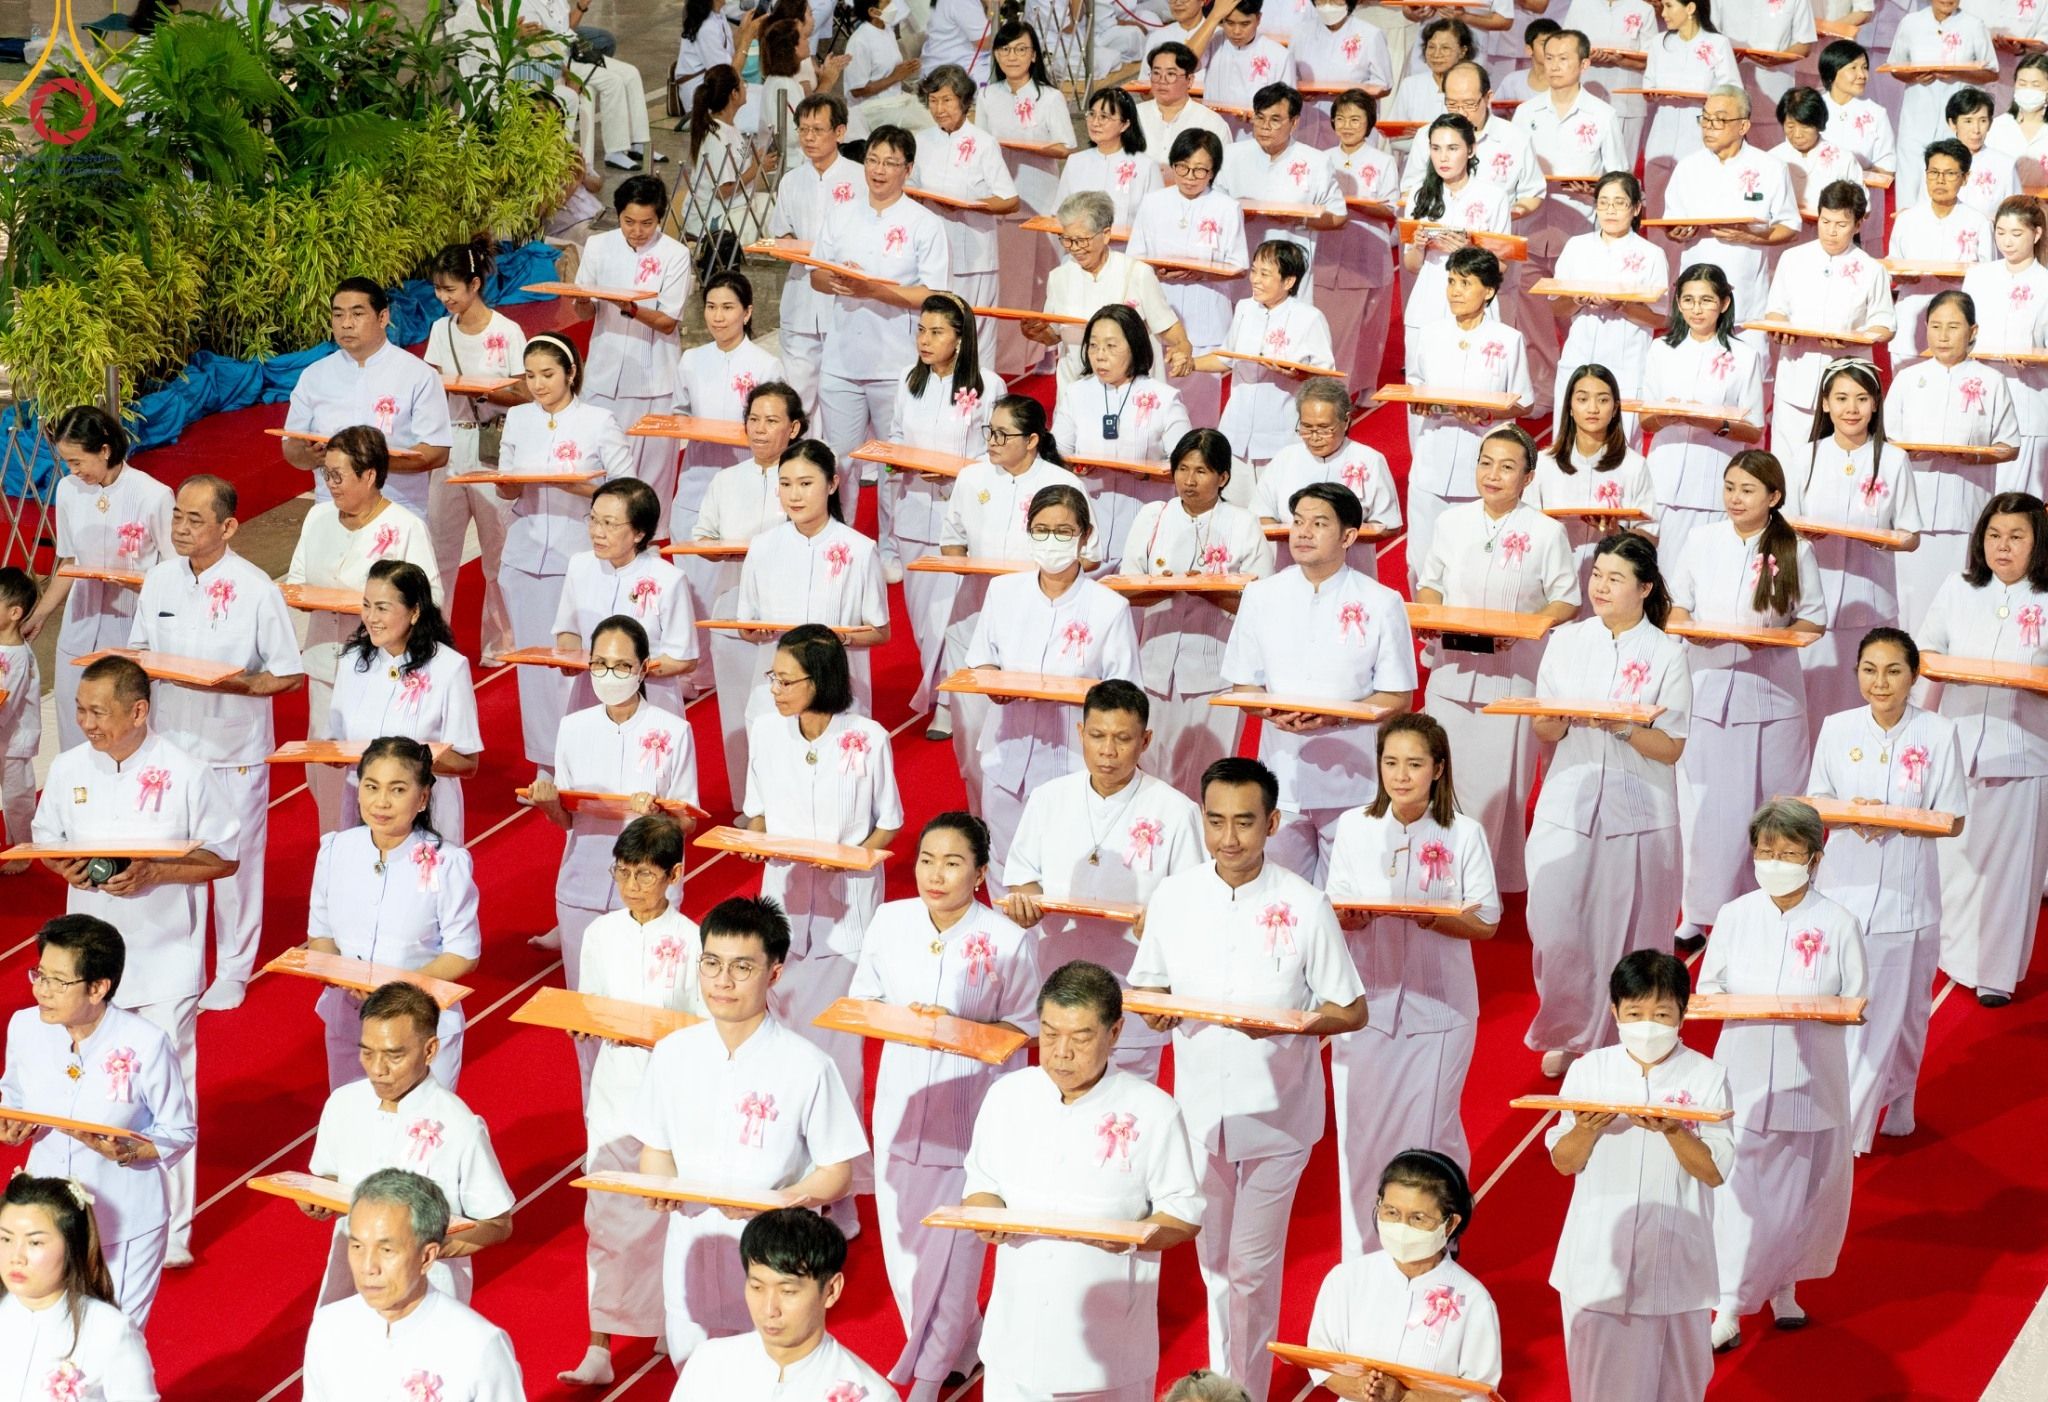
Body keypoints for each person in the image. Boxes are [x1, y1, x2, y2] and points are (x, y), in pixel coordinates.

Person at [1129, 756, 1368, 1402]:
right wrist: (1153, 1012)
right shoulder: (1174, 898)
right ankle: (1222, 1385)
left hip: (1278, 1115)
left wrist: (1292, 1027)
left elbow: (1351, 1007)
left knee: (1254, 1269)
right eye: (1215, 822)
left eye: (1244, 823)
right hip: (1200, 1111)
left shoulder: (1304, 903)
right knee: (1213, 1267)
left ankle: (1247, 1394)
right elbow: (1147, 989)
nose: (1228, 839)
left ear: (1273, 823)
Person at [27, 657, 236, 1269]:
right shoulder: (67, 769)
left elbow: (224, 857)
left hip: (164, 955)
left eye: (97, 711)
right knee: (88, 1089)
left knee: (167, 1093)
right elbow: (47, 841)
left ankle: (171, 1228)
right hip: (82, 972)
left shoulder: (187, 772)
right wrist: (58, 865)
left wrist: (156, 872)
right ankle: (86, 1213)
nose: (85, 722)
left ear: (139, 711)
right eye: (81, 710)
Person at [849, 812, 1039, 1401]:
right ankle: (960, 1345)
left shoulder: (1008, 939)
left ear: (981, 873)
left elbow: (1027, 1028)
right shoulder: (889, 920)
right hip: (903, 1108)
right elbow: (862, 1003)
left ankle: (925, 1381)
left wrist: (957, 1031)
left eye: (953, 863)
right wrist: (909, 1022)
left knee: (954, 1255)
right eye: (928, 859)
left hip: (969, 1113)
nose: (936, 874)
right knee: (905, 1250)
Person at [633, 896, 869, 1362]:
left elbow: (837, 1171)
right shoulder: (672, 1054)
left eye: (742, 967)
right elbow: (655, 1146)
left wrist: (784, 1202)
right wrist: (658, 1182)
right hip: (691, 1254)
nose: (723, 980)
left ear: (775, 973)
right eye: (712, 964)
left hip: (774, 1272)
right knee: (694, 1377)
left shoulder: (807, 1065)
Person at [960, 959, 1206, 1401]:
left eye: (1080, 1037)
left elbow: (1185, 1215)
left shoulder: (1153, 1111)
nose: (1061, 1052)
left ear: (1115, 1033)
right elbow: (982, 1181)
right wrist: (986, 1212)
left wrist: (1133, 1236)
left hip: (1107, 1356)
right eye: (1050, 1034)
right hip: (1013, 1344)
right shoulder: (1007, 1097)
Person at [1323, 720, 1502, 1261]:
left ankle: (1436, 1241)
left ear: (1438, 769)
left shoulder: (1462, 833)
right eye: (1391, 763)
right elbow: (1335, 907)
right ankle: (1362, 1255)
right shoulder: (1354, 827)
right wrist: (1351, 919)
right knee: (1360, 1136)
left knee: (1431, 1128)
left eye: (1414, 764)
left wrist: (1436, 921)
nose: (1401, 776)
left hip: (1440, 1009)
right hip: (1367, 1006)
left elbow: (1487, 921)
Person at [129, 474, 301, 1019]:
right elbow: (138, 649)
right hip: (170, 748)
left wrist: (236, 685)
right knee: (173, 859)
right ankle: (180, 960)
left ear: (228, 526)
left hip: (234, 749)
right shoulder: (157, 580)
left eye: (194, 519)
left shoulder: (255, 588)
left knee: (234, 863)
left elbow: (288, 674)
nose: (180, 527)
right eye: (177, 516)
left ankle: (233, 968)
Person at [1699, 799, 1867, 1352]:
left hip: (1808, 1077)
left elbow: (1858, 1000)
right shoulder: (1735, 915)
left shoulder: (1837, 922)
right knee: (1739, 1193)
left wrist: (1810, 1010)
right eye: (1766, 852)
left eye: (1789, 853)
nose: (1775, 861)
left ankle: (1784, 1285)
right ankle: (1728, 1301)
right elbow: (1708, 990)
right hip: (1743, 1071)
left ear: (1814, 858)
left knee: (1798, 1193)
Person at [1524, 533, 1691, 1078]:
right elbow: (1543, 724)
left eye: (1616, 579)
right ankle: (1568, 1030)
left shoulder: (1668, 654)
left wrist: (1620, 725)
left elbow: (1671, 747)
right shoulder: (1567, 641)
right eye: (1598, 575)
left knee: (1632, 932)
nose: (1601, 587)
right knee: (1556, 927)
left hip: (1638, 809)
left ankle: (1628, 1040)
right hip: (1567, 802)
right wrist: (1562, 717)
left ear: (1644, 588)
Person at [1546, 951, 1732, 1402]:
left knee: (1679, 1391)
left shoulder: (1707, 1076)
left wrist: (1675, 1131)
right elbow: (1564, 1161)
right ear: (1615, 1012)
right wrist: (1587, 1131)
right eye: (1635, 1013)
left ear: (1682, 1015)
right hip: (1596, 1268)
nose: (1648, 1025)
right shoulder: (1590, 1071)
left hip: (1677, 1270)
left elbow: (1714, 1171)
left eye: (1662, 1013)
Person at [745, 625, 902, 1160]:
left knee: (836, 1057)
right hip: (782, 911)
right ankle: (784, 1165)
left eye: (788, 679)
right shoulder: (766, 732)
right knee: (778, 1052)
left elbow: (889, 824)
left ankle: (842, 1181)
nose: (777, 689)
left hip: (847, 921)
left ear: (823, 680)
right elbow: (757, 809)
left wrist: (851, 863)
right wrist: (757, 841)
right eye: (774, 677)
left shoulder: (869, 737)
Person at [1807, 627, 1967, 1147]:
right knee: (1851, 1012)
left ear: (1914, 676)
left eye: (1894, 670)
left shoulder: (1938, 733)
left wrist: (1900, 820)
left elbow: (1953, 819)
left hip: (1908, 897)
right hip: (1843, 891)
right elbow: (1815, 802)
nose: (1880, 682)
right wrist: (1852, 814)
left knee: (1905, 1013)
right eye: (1869, 670)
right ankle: (1849, 1130)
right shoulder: (1837, 727)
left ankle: (1900, 1094)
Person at [999, 680, 1206, 1079]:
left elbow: (1192, 906)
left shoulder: (1176, 812)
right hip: (1059, 979)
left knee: (1123, 1115)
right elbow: (1022, 879)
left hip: (1133, 983)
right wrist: (1024, 904)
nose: (1107, 752)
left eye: (1122, 739)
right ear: (1080, 734)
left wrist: (1163, 926)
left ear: (1144, 741)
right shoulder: (1049, 798)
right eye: (1096, 736)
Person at [561, 817, 704, 1387]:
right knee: (606, 1217)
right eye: (623, 871)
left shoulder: (693, 938)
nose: (632, 884)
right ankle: (600, 1342)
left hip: (670, 1093)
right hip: (614, 1089)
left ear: (674, 874)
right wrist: (584, 1026)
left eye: (645, 873)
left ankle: (672, 1319)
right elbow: (588, 1006)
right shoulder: (600, 934)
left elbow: (701, 1022)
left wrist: (656, 1033)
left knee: (666, 1214)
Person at [0, 917, 196, 1328]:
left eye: (58, 981)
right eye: (39, 974)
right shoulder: (25, 1027)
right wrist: (11, 1126)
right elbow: (14, 1095)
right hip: (47, 1221)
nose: (41, 990)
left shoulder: (145, 1043)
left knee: (112, 1337)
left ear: (97, 987)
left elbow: (179, 1131)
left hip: (124, 1219)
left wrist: (128, 1151)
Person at [1668, 450, 1826, 944]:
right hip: (1709, 688)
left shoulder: (1795, 549)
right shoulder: (1700, 539)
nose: (1735, 498)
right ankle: (1699, 909)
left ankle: (1777, 907)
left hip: (1773, 691)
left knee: (1772, 803)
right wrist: (1692, 633)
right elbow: (1676, 610)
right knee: (1705, 807)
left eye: (1748, 490)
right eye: (1730, 486)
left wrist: (1771, 639)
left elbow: (1813, 619)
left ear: (1773, 497)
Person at [1222, 483, 1417, 882]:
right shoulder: (1261, 596)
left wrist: (1338, 719)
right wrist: (1268, 710)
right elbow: (1244, 685)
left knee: (1346, 908)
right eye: (1298, 522)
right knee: (1280, 902)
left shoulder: (1381, 601)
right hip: (1279, 776)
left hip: (1354, 781)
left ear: (1348, 536)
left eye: (1319, 523)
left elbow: (1399, 696)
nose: (1304, 532)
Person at [1415, 425, 1578, 893]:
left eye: (1507, 467)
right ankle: (1438, 876)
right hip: (1451, 669)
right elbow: (1431, 582)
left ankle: (1486, 884)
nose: (1493, 474)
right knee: (1441, 777)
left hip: (1512, 674)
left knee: (1496, 788)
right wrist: (1430, 612)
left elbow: (1565, 599)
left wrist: (1527, 628)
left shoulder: (1546, 532)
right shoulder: (1451, 522)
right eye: (1485, 463)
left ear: (1528, 477)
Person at [303, 982, 515, 1307]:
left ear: (430, 1050)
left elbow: (497, 1223)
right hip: (350, 1286)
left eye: (394, 1055)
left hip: (429, 1296)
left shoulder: (459, 1125)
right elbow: (328, 1177)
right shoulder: (342, 1104)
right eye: (367, 1052)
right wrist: (317, 1198)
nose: (378, 1070)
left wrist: (424, 1248)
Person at [966, 485, 1141, 867]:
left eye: (1063, 532)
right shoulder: (1003, 591)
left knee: (1063, 862)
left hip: (1072, 759)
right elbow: (982, 660)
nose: (1051, 541)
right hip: (1006, 750)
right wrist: (994, 684)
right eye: (1041, 530)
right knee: (1004, 860)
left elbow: (1127, 694)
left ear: (1085, 536)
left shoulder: (1109, 607)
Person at [1919, 491, 2048, 1005]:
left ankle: (1995, 972)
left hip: (2025, 748)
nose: (2003, 547)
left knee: (2010, 870)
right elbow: (1927, 650)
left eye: (2017, 537)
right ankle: (1947, 953)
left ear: (2038, 543)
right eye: (1994, 535)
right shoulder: (1958, 588)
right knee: (1954, 860)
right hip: (1959, 739)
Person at [285, 426, 443, 832]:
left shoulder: (405, 526)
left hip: (382, 671)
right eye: (326, 475)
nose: (330, 485)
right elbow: (297, 579)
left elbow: (432, 600)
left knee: (379, 773)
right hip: (324, 664)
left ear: (369, 475)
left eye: (338, 475)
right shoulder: (318, 516)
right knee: (324, 775)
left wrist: (376, 612)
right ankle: (333, 852)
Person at [530, 615, 701, 987]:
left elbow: (688, 822)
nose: (610, 675)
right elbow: (569, 820)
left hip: (648, 889)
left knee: (643, 997)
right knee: (585, 1003)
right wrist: (548, 804)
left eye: (622, 665)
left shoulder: (673, 731)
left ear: (642, 669)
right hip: (582, 882)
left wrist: (657, 817)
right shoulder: (573, 728)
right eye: (600, 664)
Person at [305, 738, 482, 1092]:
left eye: (397, 789)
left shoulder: (447, 862)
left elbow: (463, 953)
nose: (381, 802)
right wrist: (335, 973)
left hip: (420, 1026)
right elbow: (320, 935)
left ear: (422, 798)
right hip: (349, 1021)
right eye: (371, 787)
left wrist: (397, 989)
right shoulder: (336, 850)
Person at [938, 395, 1091, 788]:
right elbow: (951, 541)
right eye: (990, 431)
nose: (992, 440)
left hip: (1038, 621)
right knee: (971, 732)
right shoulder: (972, 478)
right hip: (972, 614)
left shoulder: (1062, 485)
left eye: (1004, 434)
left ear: (1033, 440)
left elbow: (1088, 556)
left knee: (1031, 738)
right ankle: (979, 817)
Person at [496, 333, 629, 771]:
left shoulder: (599, 420)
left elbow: (629, 490)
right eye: (530, 375)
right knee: (534, 667)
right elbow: (505, 481)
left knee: (576, 662)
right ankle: (545, 760)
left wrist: (583, 488)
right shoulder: (517, 419)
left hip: (578, 556)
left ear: (571, 372)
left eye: (548, 374)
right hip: (524, 552)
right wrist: (508, 483)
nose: (538, 384)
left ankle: (589, 755)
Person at [1118, 429, 1275, 790]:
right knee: (1150, 770)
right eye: (1182, 469)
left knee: (1207, 776)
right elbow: (1126, 588)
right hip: (1154, 666)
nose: (1189, 480)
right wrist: (1170, 588)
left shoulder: (1242, 524)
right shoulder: (1153, 516)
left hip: (1215, 672)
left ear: (1222, 477)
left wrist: (1207, 592)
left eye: (1201, 471)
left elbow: (1260, 604)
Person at [1781, 360, 1923, 732]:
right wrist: (1801, 534)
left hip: (1870, 596)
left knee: (1866, 703)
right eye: (1841, 398)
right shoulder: (1806, 456)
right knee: (1813, 706)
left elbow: (1911, 533)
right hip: (1815, 601)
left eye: (1862, 398)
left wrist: (1884, 539)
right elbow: (1785, 524)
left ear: (1876, 404)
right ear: (1825, 404)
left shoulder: (1893, 459)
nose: (1851, 408)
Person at [23, 406, 173, 752]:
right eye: (68, 463)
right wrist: (41, 614)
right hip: (80, 623)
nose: (73, 471)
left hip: (132, 627)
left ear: (104, 450)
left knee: (124, 728)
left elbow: (175, 571)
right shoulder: (68, 491)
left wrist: (139, 583)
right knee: (74, 719)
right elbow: (70, 559)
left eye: (78, 461)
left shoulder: (153, 495)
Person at [301, 1170, 524, 1400]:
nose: (368, 1267)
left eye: (386, 1250)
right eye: (357, 1247)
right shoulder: (329, 1326)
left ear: (427, 1257)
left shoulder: (479, 1345)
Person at [890, 295, 1005, 736]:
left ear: (960, 338)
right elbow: (895, 438)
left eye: (936, 331)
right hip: (914, 508)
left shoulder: (987, 385)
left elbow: (994, 453)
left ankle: (947, 703)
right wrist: (895, 461)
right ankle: (937, 689)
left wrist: (954, 471)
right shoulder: (907, 380)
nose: (925, 339)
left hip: (964, 516)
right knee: (922, 620)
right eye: (921, 329)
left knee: (950, 617)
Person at [1304, 1151, 1503, 1395]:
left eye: (1418, 1218)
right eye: (1391, 1213)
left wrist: (1402, 1397)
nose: (1402, 1228)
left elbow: (1479, 1395)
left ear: (1450, 1224)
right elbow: (1323, 1364)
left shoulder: (1473, 1301)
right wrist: (1363, 1390)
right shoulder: (1346, 1279)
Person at [1884, 290, 2022, 631]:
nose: (1943, 336)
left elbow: (2009, 445)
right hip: (1913, 510)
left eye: (1953, 326)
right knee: (1911, 603)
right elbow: (1886, 442)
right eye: (1935, 326)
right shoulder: (1907, 379)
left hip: (1966, 510)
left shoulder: (1991, 381)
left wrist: (1972, 455)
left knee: (1959, 605)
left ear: (1972, 331)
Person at [696, 382, 808, 792]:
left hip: (788, 610)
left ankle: (789, 794)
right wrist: (719, 550)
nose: (759, 430)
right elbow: (702, 537)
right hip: (732, 603)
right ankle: (747, 800)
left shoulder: (807, 478)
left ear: (794, 428)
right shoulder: (726, 480)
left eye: (772, 421)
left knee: (783, 709)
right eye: (753, 420)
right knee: (736, 710)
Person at [1402, 246, 1535, 589]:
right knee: (1421, 564)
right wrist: (1419, 403)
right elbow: (1415, 384)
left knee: (1470, 570)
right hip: (1431, 462)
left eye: (1465, 282)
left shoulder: (1508, 339)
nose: (1455, 291)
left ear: (1488, 290)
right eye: (1450, 282)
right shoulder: (1430, 335)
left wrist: (1487, 412)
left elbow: (1525, 403)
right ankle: (1430, 640)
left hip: (1480, 468)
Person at [421, 240, 527, 667]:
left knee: (497, 550)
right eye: (438, 290)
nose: (444, 298)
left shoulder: (507, 332)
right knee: (439, 551)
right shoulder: (439, 330)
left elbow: (525, 390)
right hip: (450, 443)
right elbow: (429, 388)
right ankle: (433, 642)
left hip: (493, 443)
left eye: (451, 289)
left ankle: (501, 644)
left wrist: (487, 390)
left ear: (475, 284)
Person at [734, 441, 891, 726]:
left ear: (832, 484)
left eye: (806, 483)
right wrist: (754, 632)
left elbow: (881, 631)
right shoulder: (762, 547)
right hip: (773, 695)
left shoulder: (859, 550)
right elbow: (745, 625)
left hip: (837, 693)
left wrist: (840, 638)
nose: (794, 495)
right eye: (785, 483)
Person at [328, 560, 482, 839]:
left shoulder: (448, 668)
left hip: (426, 816)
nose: (370, 617)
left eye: (382, 608)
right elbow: (338, 740)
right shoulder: (352, 663)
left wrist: (406, 761)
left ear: (414, 612)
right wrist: (332, 752)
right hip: (364, 811)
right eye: (366, 605)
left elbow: (467, 762)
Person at [669, 1209, 895, 1399]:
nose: (769, 1309)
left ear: (831, 1290)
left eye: (788, 1291)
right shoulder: (710, 1363)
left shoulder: (869, 1394)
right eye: (757, 1287)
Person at [281, 277, 454, 521]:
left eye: (357, 314)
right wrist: (309, 456)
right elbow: (292, 444)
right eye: (338, 315)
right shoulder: (314, 376)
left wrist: (367, 461)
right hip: (330, 510)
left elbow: (437, 451)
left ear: (383, 318)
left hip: (398, 510)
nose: (346, 324)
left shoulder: (419, 374)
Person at [575, 176, 692, 531]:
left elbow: (669, 320)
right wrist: (580, 302)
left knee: (652, 476)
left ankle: (650, 547)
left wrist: (631, 307)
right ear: (618, 215)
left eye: (647, 223)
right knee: (600, 468)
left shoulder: (675, 254)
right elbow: (585, 311)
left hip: (655, 380)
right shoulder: (597, 246)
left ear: (659, 218)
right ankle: (600, 536)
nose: (638, 231)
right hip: (604, 375)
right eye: (629, 222)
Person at [1639, 264, 1767, 569]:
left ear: (1723, 304)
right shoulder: (1660, 349)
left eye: (1707, 300)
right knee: (1660, 573)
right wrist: (1667, 417)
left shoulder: (1744, 356)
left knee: (1705, 575)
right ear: (1678, 302)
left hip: (1713, 478)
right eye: (1689, 300)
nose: (1697, 309)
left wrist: (1713, 424)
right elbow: (1646, 420)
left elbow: (1754, 430)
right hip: (1664, 477)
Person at [1758, 179, 1896, 453]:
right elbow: (1776, 310)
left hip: (1847, 386)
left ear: (1858, 225)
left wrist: (1856, 339)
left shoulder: (1871, 269)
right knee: (1788, 463)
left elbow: (1884, 325)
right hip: (1796, 375)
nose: (1831, 232)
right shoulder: (1792, 259)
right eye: (1825, 221)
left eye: (1841, 225)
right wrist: (1778, 327)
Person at [1660, 87, 1799, 357]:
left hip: (1746, 294)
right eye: (1705, 118)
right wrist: (1676, 232)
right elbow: (1669, 224)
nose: (1709, 128)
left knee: (1751, 381)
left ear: (1743, 126)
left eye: (1720, 120)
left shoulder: (1770, 167)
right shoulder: (1687, 168)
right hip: (1695, 299)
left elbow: (1790, 226)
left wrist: (1751, 237)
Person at [1128, 129, 1250, 426]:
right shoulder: (1153, 202)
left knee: (1199, 401)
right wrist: (1156, 270)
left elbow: (1239, 264)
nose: (1190, 176)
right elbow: (1133, 256)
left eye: (1200, 170)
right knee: (1153, 396)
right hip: (1160, 307)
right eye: (1182, 167)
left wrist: (1201, 272)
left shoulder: (1226, 207)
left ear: (1213, 172)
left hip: (1206, 306)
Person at [1053, 303, 1194, 559]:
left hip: (1147, 520)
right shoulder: (1076, 394)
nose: (1100, 355)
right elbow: (1057, 456)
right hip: (1089, 520)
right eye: (1093, 345)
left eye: (1111, 346)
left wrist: (1144, 474)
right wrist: (1072, 467)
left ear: (1134, 346)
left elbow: (1188, 467)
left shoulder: (1164, 398)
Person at [552, 476, 699, 720]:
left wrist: (625, 672)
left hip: (651, 697)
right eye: (594, 520)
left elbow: (684, 659)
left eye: (609, 524)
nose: (597, 532)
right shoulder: (580, 565)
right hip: (591, 696)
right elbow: (568, 630)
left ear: (639, 533)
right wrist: (569, 658)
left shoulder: (668, 579)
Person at [0, 1174, 158, 1400]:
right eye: (5, 1239)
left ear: (73, 1246)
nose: (16, 1257)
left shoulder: (110, 1331)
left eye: (35, 1242)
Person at [981, 20, 1078, 377]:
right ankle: (1009, 359)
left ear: (1034, 54)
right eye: (1005, 49)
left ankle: (1047, 352)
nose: (1013, 56)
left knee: (1044, 275)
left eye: (1021, 49)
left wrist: (1032, 146)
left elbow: (1068, 145)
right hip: (1006, 195)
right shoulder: (989, 95)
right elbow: (980, 143)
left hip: (1042, 192)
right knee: (1011, 280)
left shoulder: (1049, 97)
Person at [913, 64, 1022, 373]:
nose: (939, 108)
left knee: (976, 330)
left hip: (976, 253)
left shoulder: (984, 143)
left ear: (963, 101)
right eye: (933, 100)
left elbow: (1009, 200)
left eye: (947, 100)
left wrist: (971, 206)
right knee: (936, 329)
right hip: (933, 253)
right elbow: (911, 187)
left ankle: (979, 398)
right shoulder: (921, 141)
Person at [671, 270, 787, 554]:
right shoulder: (691, 360)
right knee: (692, 557)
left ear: (747, 313)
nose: (717, 317)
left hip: (747, 472)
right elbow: (678, 413)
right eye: (711, 307)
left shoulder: (766, 366)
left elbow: (780, 426)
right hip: (698, 471)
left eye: (727, 308)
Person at [1548, 176, 1667, 446]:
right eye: (1603, 202)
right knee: (1569, 442)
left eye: (1619, 203)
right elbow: (1557, 306)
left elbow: (1661, 316)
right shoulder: (1577, 247)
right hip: (1579, 353)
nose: (1610, 210)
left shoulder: (1651, 254)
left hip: (1628, 360)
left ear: (1636, 208)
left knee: (1620, 443)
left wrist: (1621, 304)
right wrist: (1578, 300)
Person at [1035, 191, 1194, 387]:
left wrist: (1182, 348)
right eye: (1066, 240)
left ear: (1106, 235)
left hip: (1130, 387)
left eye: (1081, 240)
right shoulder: (1059, 277)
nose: (1074, 248)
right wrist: (1037, 333)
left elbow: (1168, 327)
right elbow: (1054, 335)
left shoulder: (1137, 273)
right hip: (1075, 386)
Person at [1203, 239, 1337, 467]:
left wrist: (1298, 375)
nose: (1255, 280)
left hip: (1280, 431)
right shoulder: (1244, 309)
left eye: (1264, 274)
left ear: (1289, 281)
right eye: (1254, 271)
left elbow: (1327, 377)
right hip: (1236, 428)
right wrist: (1189, 363)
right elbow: (1226, 358)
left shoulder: (1309, 318)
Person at [769, 95, 863, 413]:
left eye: (817, 129)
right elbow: (782, 232)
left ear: (839, 132)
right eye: (803, 129)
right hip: (801, 298)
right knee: (797, 395)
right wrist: (798, 248)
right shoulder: (791, 181)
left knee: (843, 397)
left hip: (846, 297)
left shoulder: (861, 178)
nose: (808, 137)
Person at [1529, 364, 1659, 597]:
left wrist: (1617, 531)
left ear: (1615, 408)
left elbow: (1649, 537)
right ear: (1569, 406)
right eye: (1582, 399)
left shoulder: (1633, 465)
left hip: (1614, 583)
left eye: (1602, 400)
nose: (1593, 408)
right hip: (1553, 576)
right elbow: (1527, 526)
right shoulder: (1544, 464)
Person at [1398, 114, 1515, 358]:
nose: (1443, 157)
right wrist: (1419, 247)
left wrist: (1468, 252)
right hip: (1427, 304)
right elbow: (1411, 265)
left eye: (1452, 148)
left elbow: (1501, 265)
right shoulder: (1419, 196)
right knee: (1424, 388)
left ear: (1471, 150)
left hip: (1475, 305)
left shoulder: (1493, 197)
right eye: (1436, 148)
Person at [1216, 84, 1348, 300]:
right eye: (1259, 118)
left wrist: (1300, 219)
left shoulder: (1316, 161)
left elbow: (1339, 216)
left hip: (1290, 267)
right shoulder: (1230, 155)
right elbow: (1212, 207)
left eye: (1275, 120)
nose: (1265, 126)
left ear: (1294, 123)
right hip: (1239, 263)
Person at [1253, 378, 1402, 556]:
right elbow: (1261, 514)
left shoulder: (1369, 460)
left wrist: (1335, 537)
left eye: (1324, 428)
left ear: (1346, 421)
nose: (1314, 437)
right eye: (1306, 427)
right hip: (1292, 565)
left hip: (1351, 565)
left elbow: (1388, 525)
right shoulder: (1285, 458)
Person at [1317, 89, 1403, 397]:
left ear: (1369, 123)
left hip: (1367, 246)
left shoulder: (1382, 161)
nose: (1347, 125)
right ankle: (1331, 389)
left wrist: (1354, 203)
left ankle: (1365, 386)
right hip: (1327, 249)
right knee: (1330, 325)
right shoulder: (1322, 159)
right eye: (1341, 118)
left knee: (1368, 326)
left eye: (1355, 119)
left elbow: (1391, 209)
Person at [1965, 195, 2048, 500]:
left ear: (2036, 233)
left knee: (2022, 499)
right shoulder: (1978, 276)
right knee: (1979, 496)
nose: (2007, 242)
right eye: (2001, 232)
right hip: (1980, 393)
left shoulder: (2045, 282)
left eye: (2017, 234)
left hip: (2030, 394)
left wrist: (2036, 358)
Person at [1886, 140, 1996, 365]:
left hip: (1958, 323)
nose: (1940, 180)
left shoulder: (1978, 222)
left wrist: (1959, 279)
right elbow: (1892, 267)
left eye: (1949, 173)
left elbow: (1988, 279)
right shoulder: (1907, 220)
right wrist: (1900, 276)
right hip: (1911, 317)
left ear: (1965, 178)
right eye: (1934, 172)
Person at [1888, 0, 1997, 211]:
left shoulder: (1974, 25)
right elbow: (1895, 67)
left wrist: (1957, 73)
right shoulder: (1911, 23)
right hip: (1916, 117)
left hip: (1956, 121)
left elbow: (1992, 72)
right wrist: (1915, 75)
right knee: (1909, 188)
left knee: (1951, 182)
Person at [1641, 0, 1740, 208]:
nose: (1663, 13)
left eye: (1669, 6)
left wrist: (1702, 97)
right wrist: (1652, 94)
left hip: (1699, 138)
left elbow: (1733, 92)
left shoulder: (1717, 44)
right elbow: (1648, 84)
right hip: (1660, 137)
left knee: (1693, 206)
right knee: (1657, 207)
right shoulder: (1658, 43)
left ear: (1690, 8)